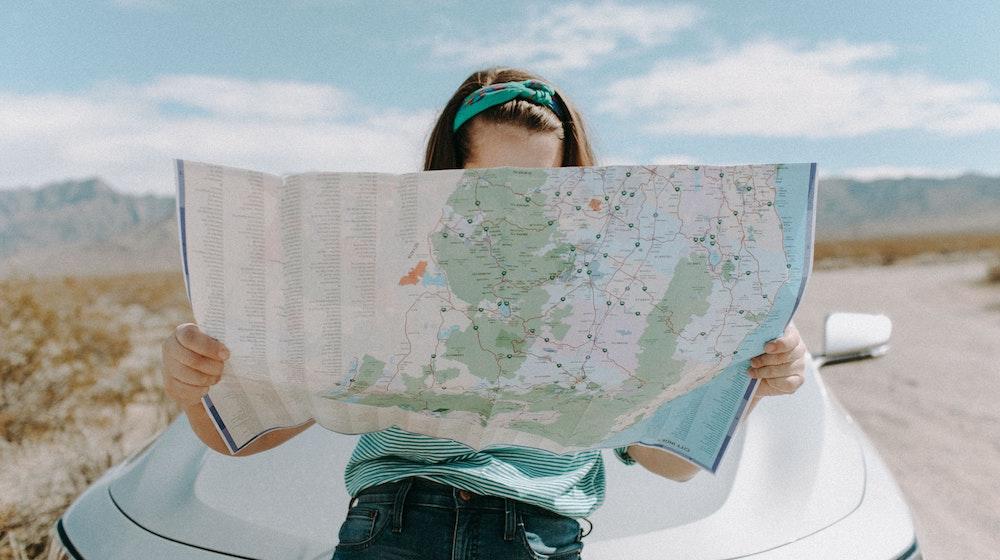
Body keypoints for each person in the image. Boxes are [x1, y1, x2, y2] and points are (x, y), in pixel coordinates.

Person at [160, 66, 808, 560]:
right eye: (487, 186)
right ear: (446, 177)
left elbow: (671, 462)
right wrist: (196, 387)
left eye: (538, 190)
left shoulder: (619, 284)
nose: (512, 210)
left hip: (536, 535)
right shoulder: (384, 266)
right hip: (391, 525)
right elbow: (240, 437)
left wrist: (749, 380)